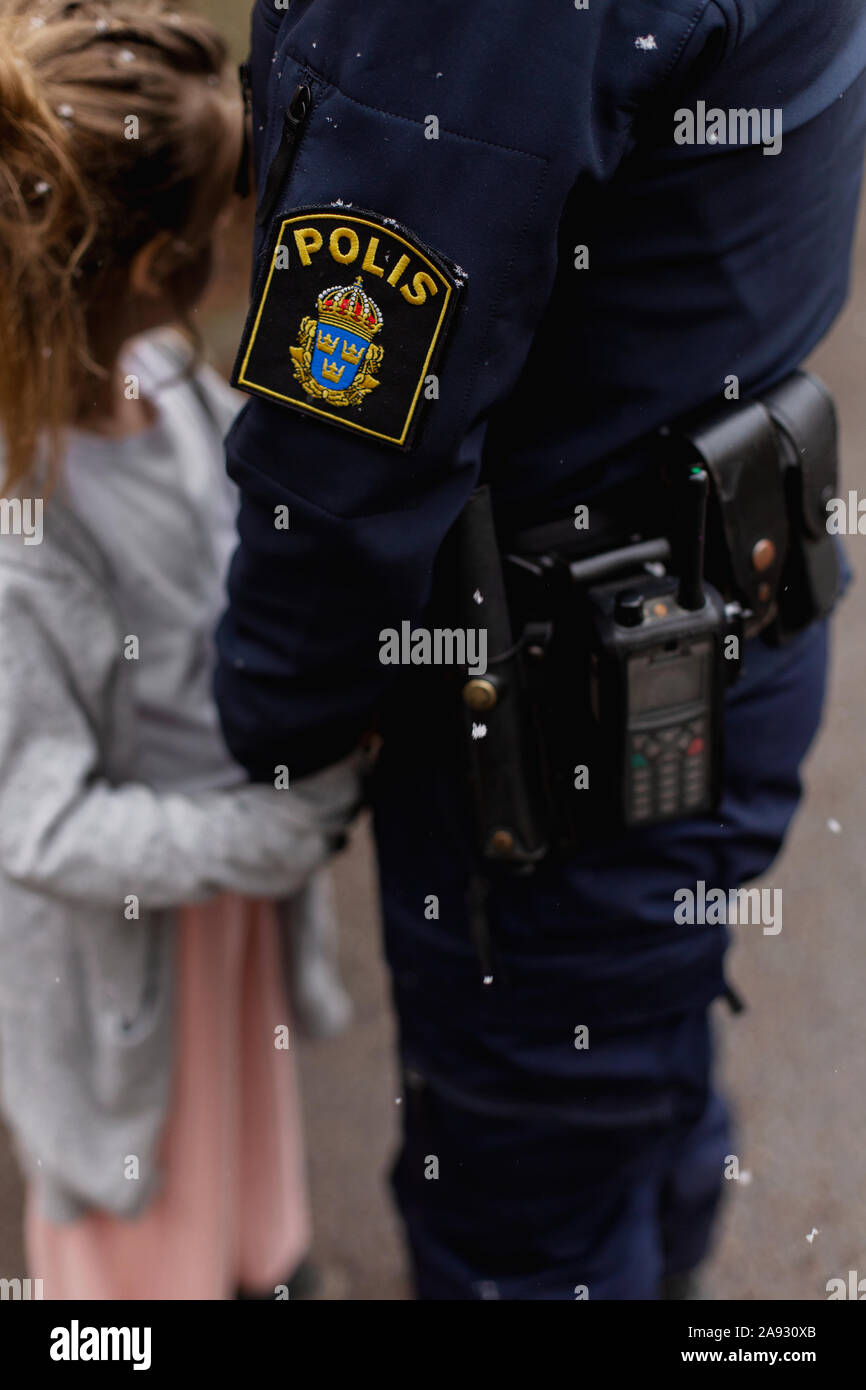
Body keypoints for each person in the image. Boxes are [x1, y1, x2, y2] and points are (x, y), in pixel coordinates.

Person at [215, 0, 866, 1299]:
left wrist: (270, 720)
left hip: (553, 729)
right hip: (693, 641)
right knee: (630, 1088)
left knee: (528, 1221)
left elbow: (344, 461)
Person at [0, 0, 358, 1301]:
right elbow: (37, 827)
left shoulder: (172, 391)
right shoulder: (23, 535)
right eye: (224, 219)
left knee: (229, 1146)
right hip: (124, 956)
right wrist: (268, 831)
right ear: (162, 262)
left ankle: (257, 1266)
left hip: (213, 919)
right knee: (140, 1221)